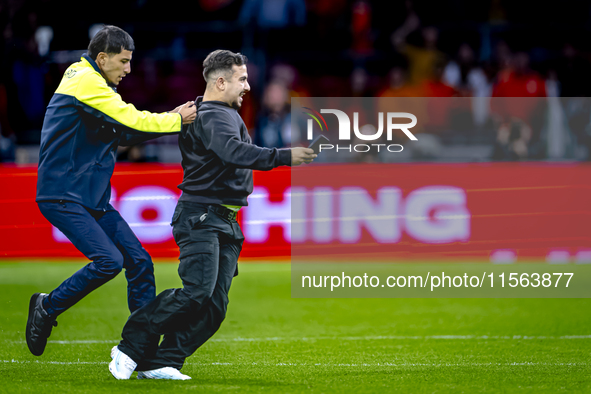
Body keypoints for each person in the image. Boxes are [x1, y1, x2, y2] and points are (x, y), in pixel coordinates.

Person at [108, 49, 316, 380]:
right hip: (202, 216)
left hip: (223, 219)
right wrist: (283, 156)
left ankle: (165, 360)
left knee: (214, 306)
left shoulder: (211, 113)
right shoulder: (215, 115)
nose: (248, 86)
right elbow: (232, 152)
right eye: (242, 79)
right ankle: (130, 347)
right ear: (220, 82)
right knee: (198, 293)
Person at [26, 25, 197, 357]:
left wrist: (172, 119)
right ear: (102, 58)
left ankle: (141, 348)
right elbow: (129, 120)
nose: (128, 69)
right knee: (109, 261)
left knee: (139, 262)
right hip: (63, 194)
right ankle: (47, 306)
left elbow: (121, 133)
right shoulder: (87, 82)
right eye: (123, 61)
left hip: (90, 198)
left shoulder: (92, 83)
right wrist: (174, 120)